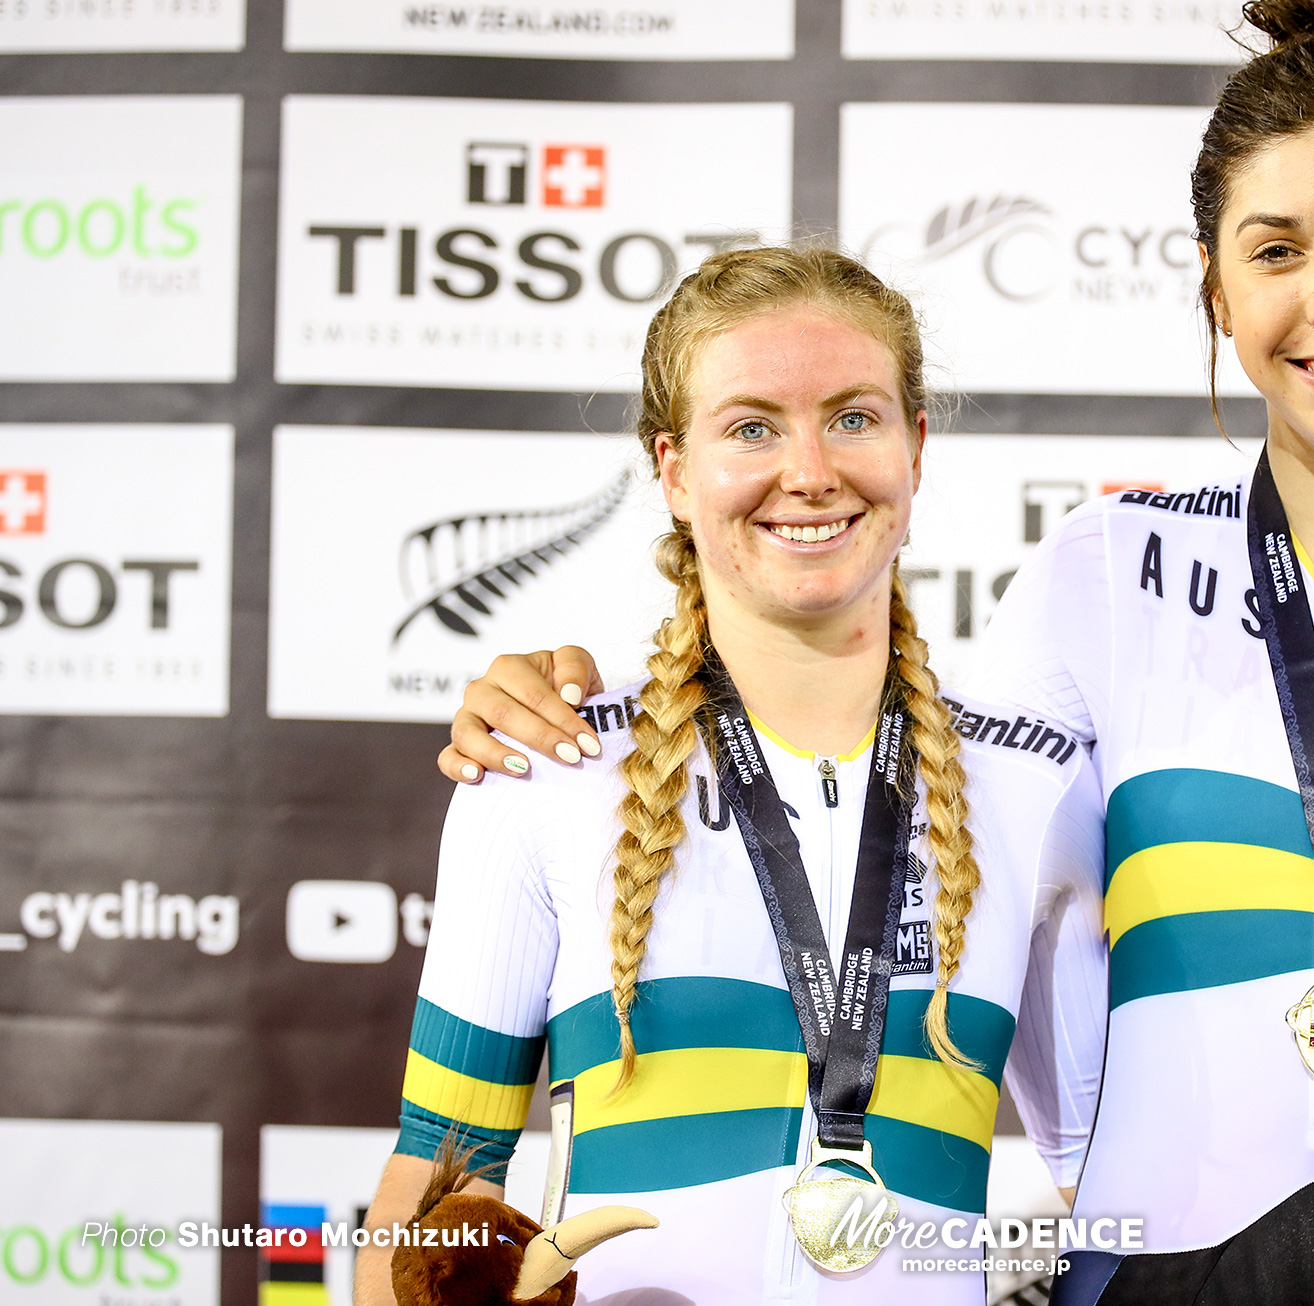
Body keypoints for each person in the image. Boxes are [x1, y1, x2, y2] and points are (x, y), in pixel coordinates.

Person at [436, 2, 1314, 1302]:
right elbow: (930, 824)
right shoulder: (1096, 569)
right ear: (1213, 283)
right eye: (1276, 250)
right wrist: (582, 694)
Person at [356, 246, 1108, 1306]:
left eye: (853, 416)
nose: (809, 470)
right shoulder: (546, 761)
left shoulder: (1037, 783)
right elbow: (432, 1186)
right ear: (671, 469)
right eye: (752, 426)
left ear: (915, 445)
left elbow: (1104, 1189)